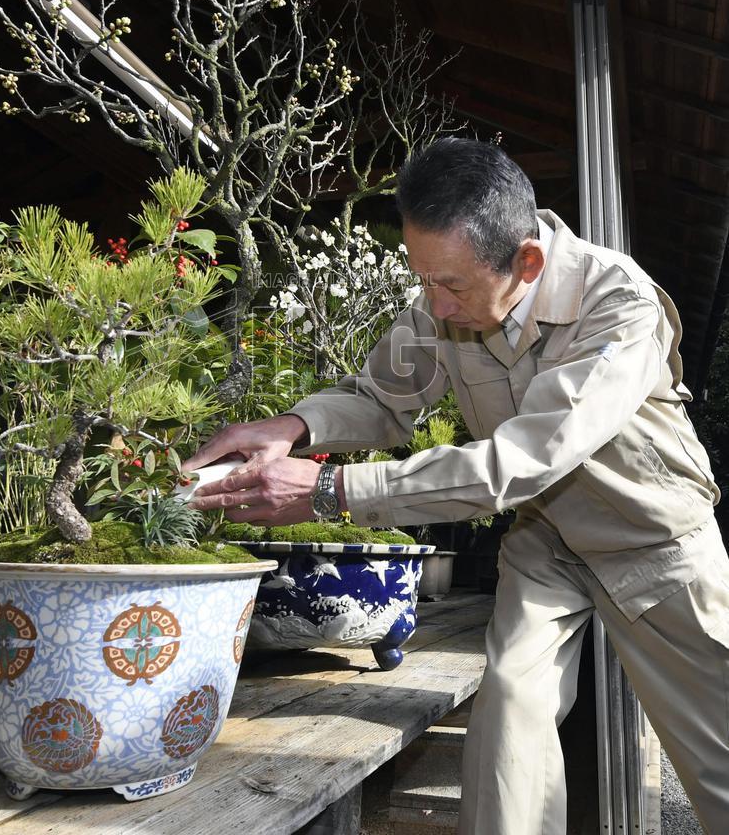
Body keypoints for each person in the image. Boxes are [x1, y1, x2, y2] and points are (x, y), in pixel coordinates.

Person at [185, 138, 729, 835]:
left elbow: (523, 460)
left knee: (716, 756)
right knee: (507, 729)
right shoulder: (442, 304)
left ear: (526, 262)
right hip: (548, 539)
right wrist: (293, 426)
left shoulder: (617, 304)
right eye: (424, 280)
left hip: (654, 539)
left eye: (452, 286)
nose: (436, 307)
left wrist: (328, 492)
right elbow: (380, 399)